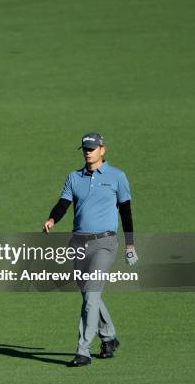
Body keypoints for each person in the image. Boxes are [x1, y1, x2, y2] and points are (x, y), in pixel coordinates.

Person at [42, 133, 138, 367]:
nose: (88, 151)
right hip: (78, 244)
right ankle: (109, 337)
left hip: (104, 244)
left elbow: (126, 211)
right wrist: (53, 219)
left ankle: (83, 350)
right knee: (89, 295)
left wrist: (130, 244)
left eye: (93, 148)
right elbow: (64, 203)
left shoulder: (117, 177)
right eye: (85, 148)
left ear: (102, 150)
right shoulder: (74, 177)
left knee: (92, 295)